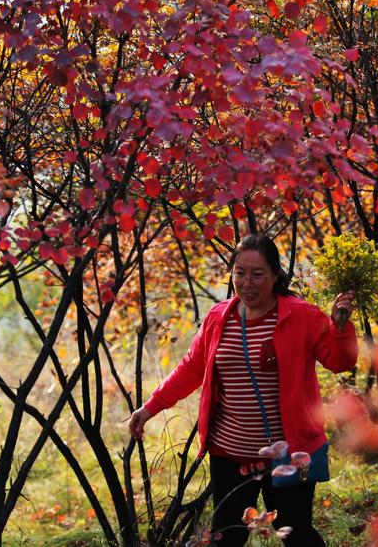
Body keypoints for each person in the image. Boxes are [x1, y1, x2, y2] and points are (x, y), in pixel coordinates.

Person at [128, 234, 357, 546]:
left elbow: (339, 362)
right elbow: (192, 368)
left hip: (288, 452)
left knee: (297, 533)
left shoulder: (301, 316)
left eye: (258, 274)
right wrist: (149, 408)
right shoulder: (218, 318)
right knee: (227, 536)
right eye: (240, 273)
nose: (247, 282)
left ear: (276, 276)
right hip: (230, 455)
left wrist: (341, 328)